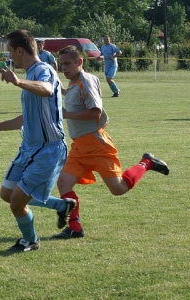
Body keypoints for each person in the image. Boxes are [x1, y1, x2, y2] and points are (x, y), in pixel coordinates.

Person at [29, 45, 169, 239]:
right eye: (61, 65)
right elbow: (71, 96)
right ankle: (75, 228)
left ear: (80, 62)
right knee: (64, 182)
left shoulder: (85, 81)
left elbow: (95, 111)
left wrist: (67, 114)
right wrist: (54, 85)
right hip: (79, 146)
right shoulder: (74, 82)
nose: (64, 68)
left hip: (96, 144)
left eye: (68, 63)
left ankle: (147, 163)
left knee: (118, 189)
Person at [0, 29, 73, 252]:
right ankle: (61, 205)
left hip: (49, 149)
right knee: (7, 194)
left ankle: (30, 240)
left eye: (10, 51)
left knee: (17, 202)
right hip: (29, 147)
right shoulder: (31, 74)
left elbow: (48, 89)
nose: (10, 56)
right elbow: (27, 116)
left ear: (20, 50)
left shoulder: (42, 70)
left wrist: (18, 81)